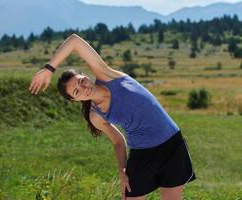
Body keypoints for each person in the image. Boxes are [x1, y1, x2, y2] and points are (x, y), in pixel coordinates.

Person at [29, 34, 196, 200]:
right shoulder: (96, 115)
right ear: (75, 100)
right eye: (76, 92)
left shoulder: (107, 75)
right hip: (142, 154)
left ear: (85, 76)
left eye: (81, 81)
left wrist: (49, 68)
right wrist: (123, 170)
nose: (83, 88)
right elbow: (118, 141)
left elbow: (74, 41)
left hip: (171, 143)